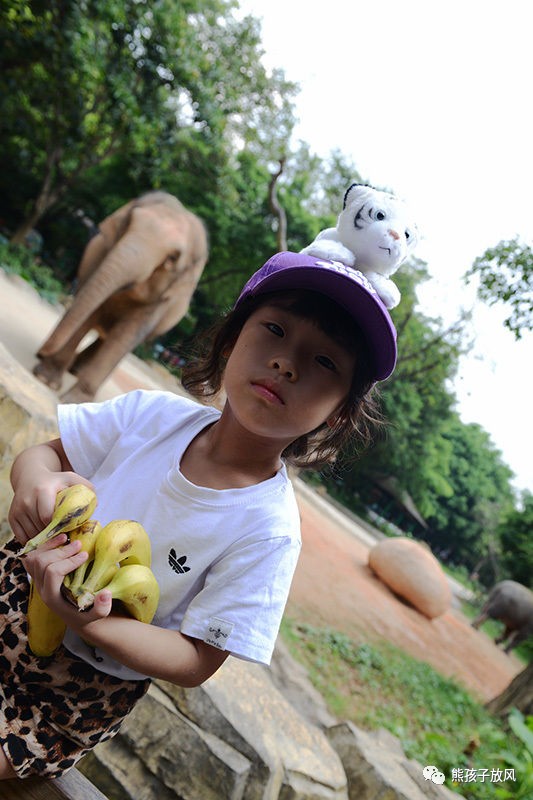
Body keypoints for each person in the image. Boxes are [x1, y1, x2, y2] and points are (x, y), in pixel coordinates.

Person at [0, 250, 397, 780]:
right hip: (12, 587)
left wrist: (89, 622)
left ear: (340, 410)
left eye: (325, 361)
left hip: (70, 695)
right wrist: (34, 484)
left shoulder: (269, 531)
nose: (287, 364)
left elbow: (195, 660)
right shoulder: (150, 415)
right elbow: (43, 456)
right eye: (275, 330)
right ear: (231, 339)